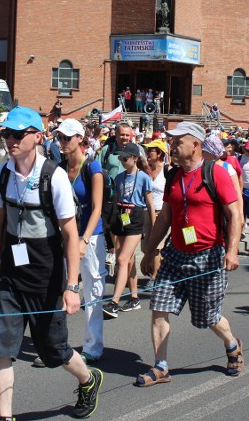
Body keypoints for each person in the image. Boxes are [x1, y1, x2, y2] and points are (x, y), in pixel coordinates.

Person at [0, 106, 102, 420]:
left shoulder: (54, 177)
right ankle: (5, 416)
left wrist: (71, 287)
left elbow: (70, 234)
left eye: (17, 134)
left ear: (38, 137)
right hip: (11, 276)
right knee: (0, 348)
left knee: (53, 351)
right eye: (6, 133)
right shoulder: (3, 173)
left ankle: (88, 378)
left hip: (46, 277)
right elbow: (0, 224)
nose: (10, 140)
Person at [137, 121, 244, 386]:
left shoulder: (215, 172)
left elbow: (235, 215)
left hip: (208, 256)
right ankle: (161, 366)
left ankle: (232, 344)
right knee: (159, 307)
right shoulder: (173, 176)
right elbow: (165, 219)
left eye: (177, 141)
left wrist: (232, 251)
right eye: (171, 140)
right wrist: (149, 252)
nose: (171, 145)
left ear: (195, 144)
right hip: (176, 255)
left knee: (208, 317)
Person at [56, 118, 106, 363]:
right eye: (60, 138)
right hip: (66, 237)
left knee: (92, 291)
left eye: (67, 137)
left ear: (80, 138)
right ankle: (57, 345)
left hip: (91, 237)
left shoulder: (92, 167)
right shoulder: (59, 168)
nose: (62, 142)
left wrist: (85, 239)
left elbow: (97, 208)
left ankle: (93, 346)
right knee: (62, 289)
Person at [102, 143, 155, 318]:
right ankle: (134, 297)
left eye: (125, 158)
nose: (122, 161)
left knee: (122, 259)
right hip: (121, 215)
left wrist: (153, 227)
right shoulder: (119, 178)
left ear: (134, 158)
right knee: (129, 260)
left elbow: (149, 204)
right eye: (120, 158)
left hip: (136, 216)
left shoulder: (143, 177)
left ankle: (114, 302)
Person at [142, 139, 169, 277]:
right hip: (146, 211)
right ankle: (156, 270)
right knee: (146, 246)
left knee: (157, 246)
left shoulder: (167, 169)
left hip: (161, 212)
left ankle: (155, 276)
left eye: (151, 150)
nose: (147, 152)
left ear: (159, 153)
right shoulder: (146, 169)